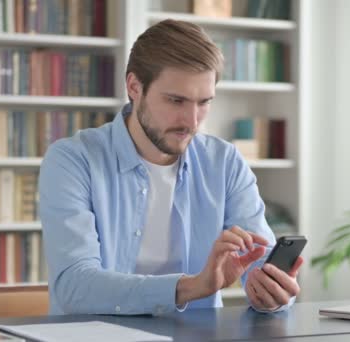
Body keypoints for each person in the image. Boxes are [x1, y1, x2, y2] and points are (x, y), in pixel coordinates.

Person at [39, 19, 303, 316]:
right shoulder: (73, 161)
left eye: (204, 102)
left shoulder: (225, 162)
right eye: (176, 100)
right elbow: (75, 285)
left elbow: (260, 259)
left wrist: (271, 290)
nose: (192, 120)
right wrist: (192, 286)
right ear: (134, 87)